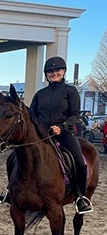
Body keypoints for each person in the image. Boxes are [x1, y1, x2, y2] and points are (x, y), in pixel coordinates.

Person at [30, 56, 92, 214]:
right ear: (46, 74)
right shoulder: (40, 94)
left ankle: (80, 197)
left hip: (63, 133)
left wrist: (62, 127)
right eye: (50, 71)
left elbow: (75, 115)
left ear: (63, 71)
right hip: (41, 135)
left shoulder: (70, 91)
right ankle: (10, 190)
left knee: (79, 163)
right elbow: (32, 115)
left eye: (57, 70)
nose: (54, 73)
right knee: (16, 158)